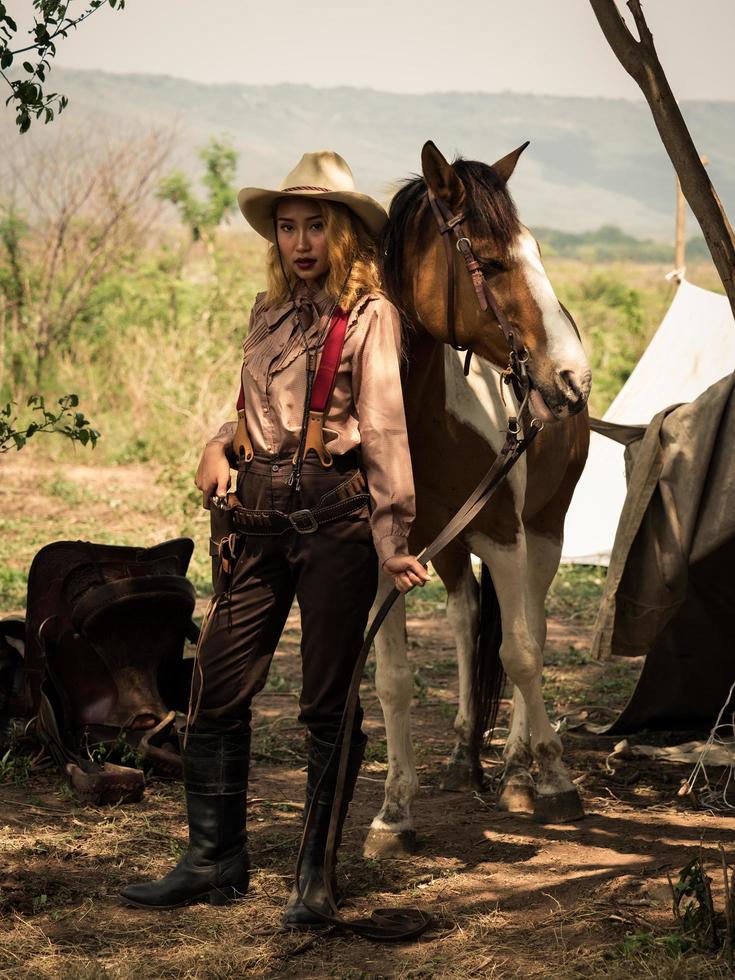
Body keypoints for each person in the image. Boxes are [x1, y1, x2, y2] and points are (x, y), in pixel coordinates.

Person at [120, 150, 429, 926]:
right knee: (215, 688)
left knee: (325, 705)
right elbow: (259, 408)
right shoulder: (268, 313)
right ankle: (212, 858)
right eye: (287, 227)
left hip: (336, 526)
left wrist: (394, 538)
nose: (299, 242)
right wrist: (217, 443)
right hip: (254, 523)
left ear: (345, 234)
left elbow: (386, 430)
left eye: (314, 226)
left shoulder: (369, 317)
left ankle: (316, 877)